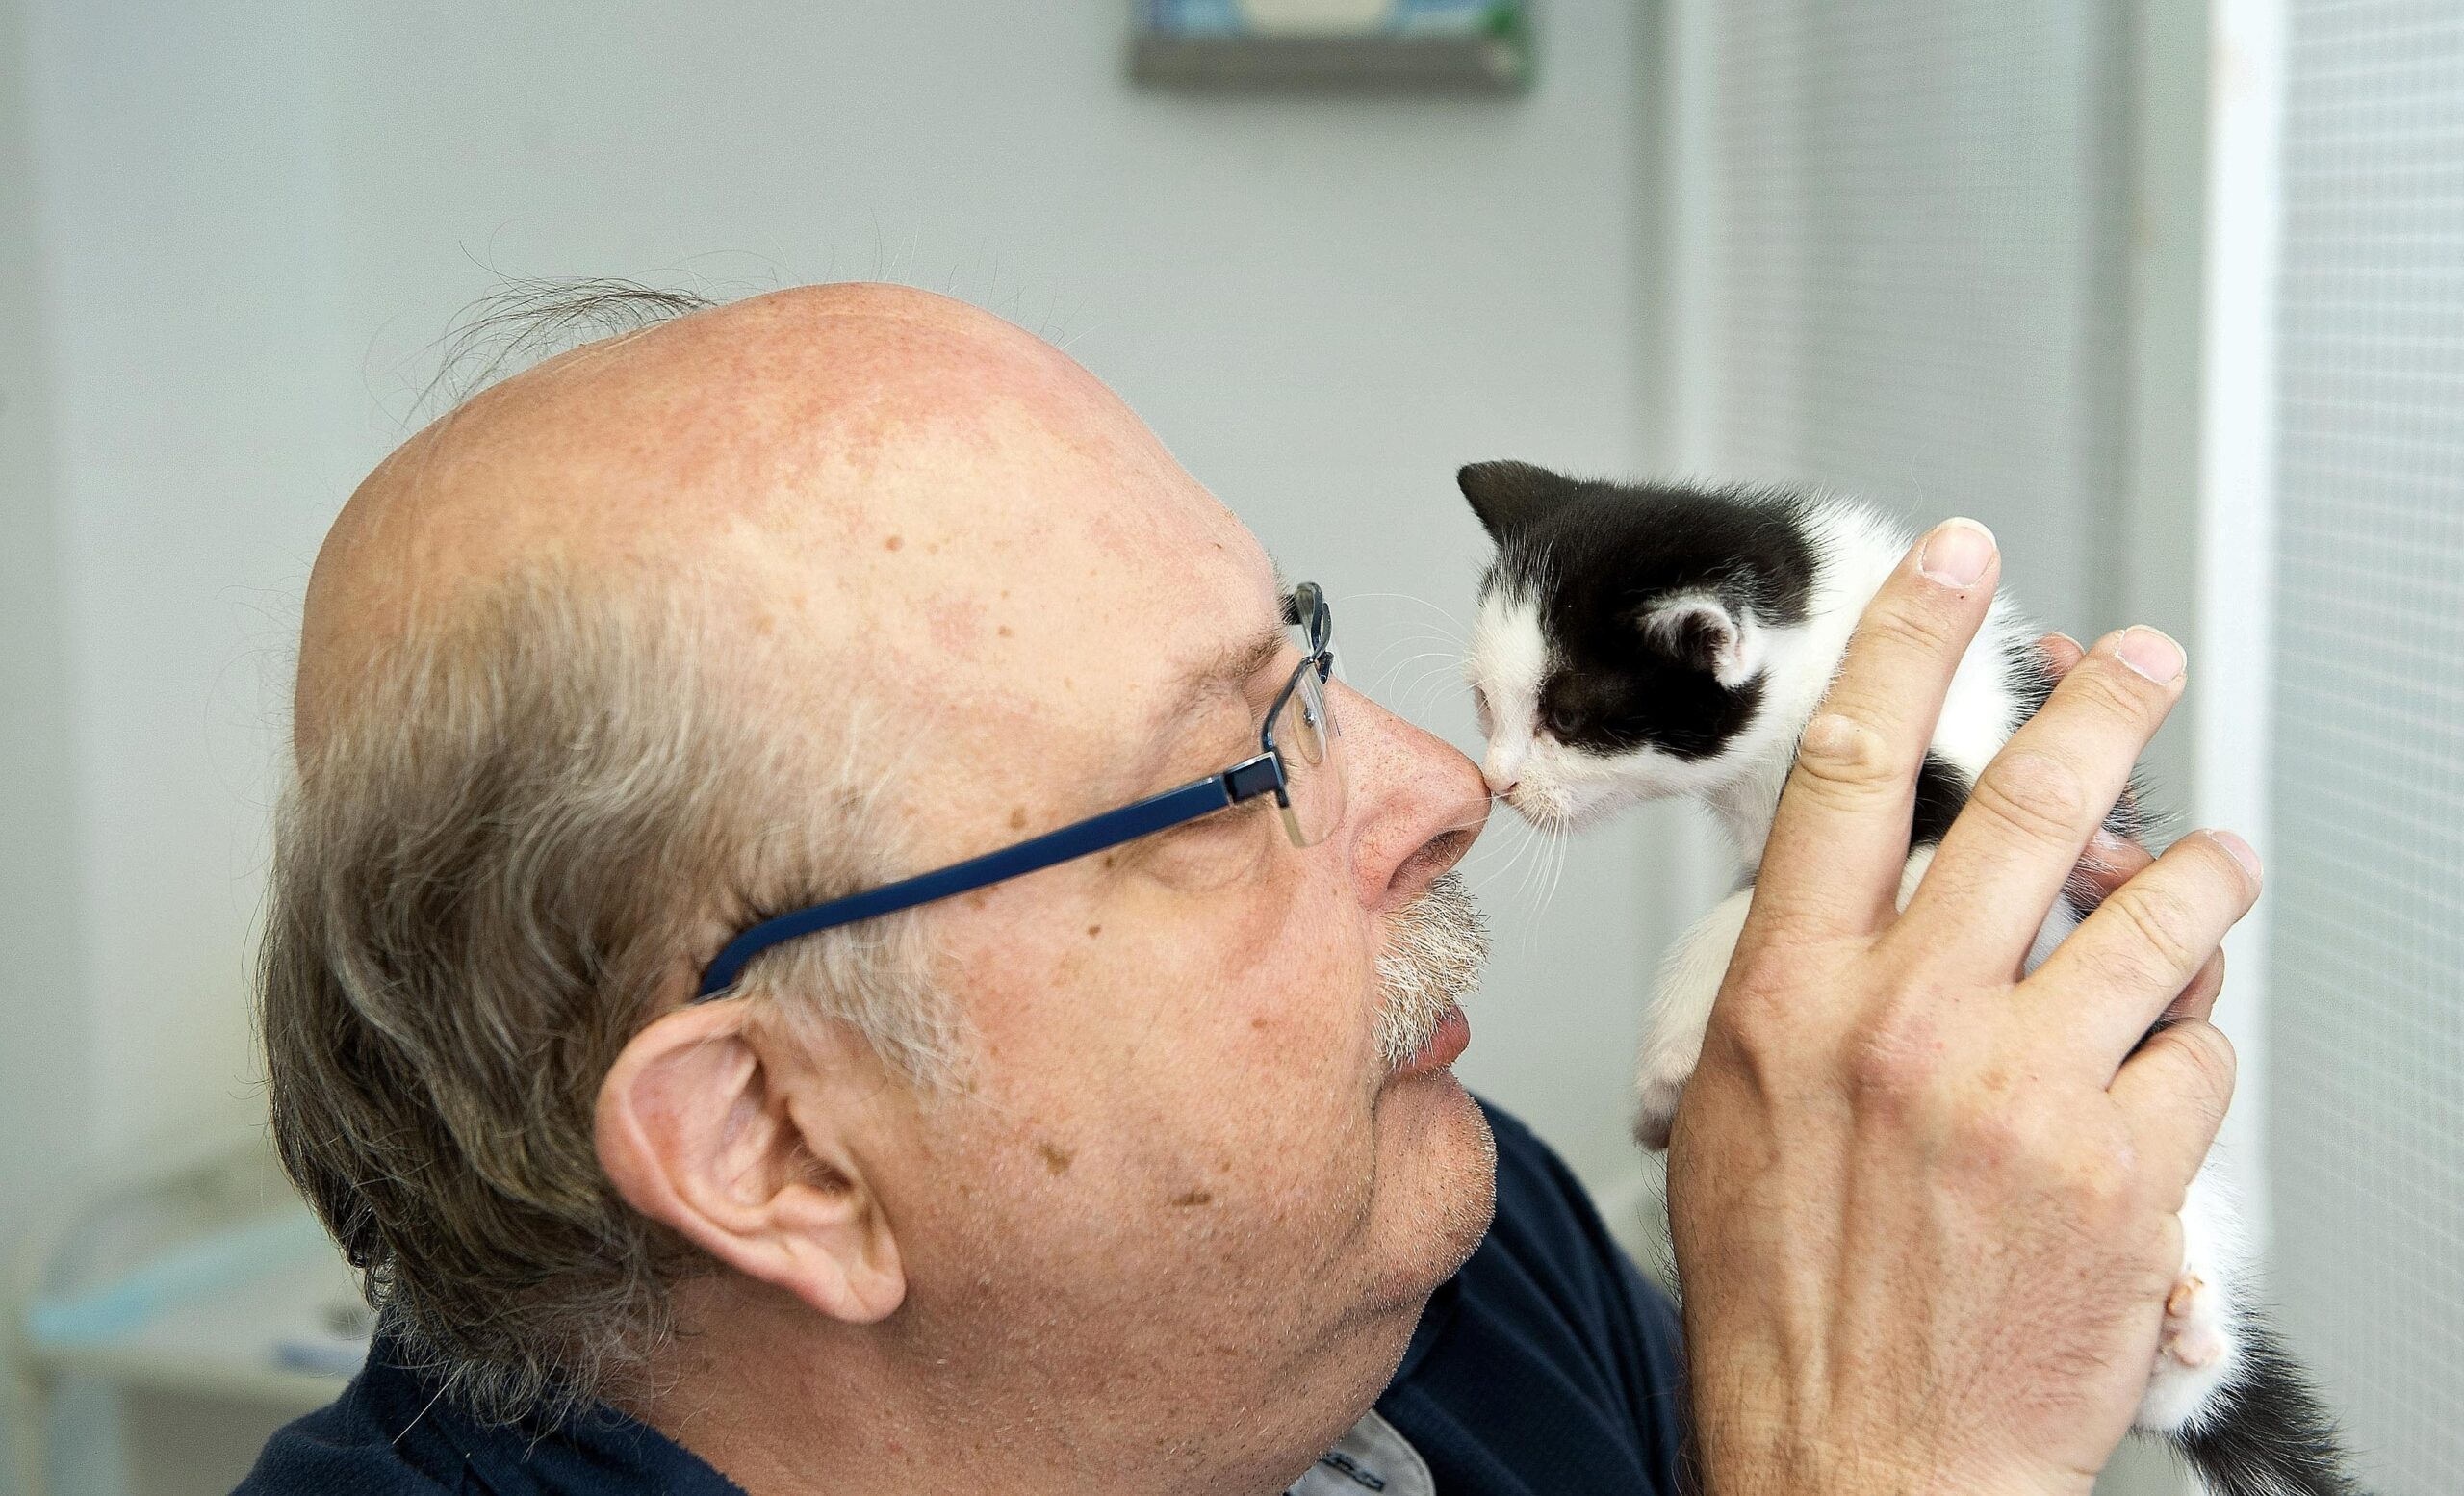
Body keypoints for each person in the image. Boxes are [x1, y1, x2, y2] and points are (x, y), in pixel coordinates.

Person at [237, 283, 2252, 1496]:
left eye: (1301, 656)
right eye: (1220, 780)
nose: (1444, 789)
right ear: (778, 1145)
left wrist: (1857, 1330)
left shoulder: (1428, 1264)